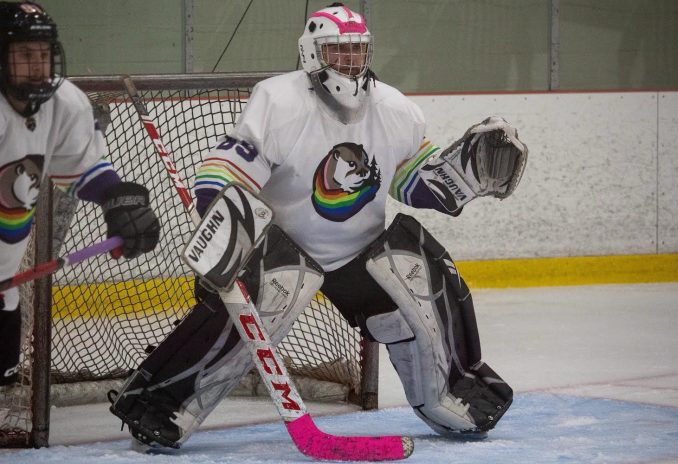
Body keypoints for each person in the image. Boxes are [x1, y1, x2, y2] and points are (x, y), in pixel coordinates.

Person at [110, 2, 526, 448]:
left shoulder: (394, 108)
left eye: (357, 51)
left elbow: (408, 180)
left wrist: (460, 178)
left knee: (419, 275)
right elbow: (228, 167)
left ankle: (451, 393)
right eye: (337, 51)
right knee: (257, 306)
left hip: (357, 253)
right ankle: (159, 404)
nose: (349, 62)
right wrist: (219, 217)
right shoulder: (279, 99)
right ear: (312, 54)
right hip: (281, 250)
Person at [0, 1, 161, 386]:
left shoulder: (63, 103)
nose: (38, 66)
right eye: (25, 54)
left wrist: (116, 198)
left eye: (43, 54)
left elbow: (81, 167)